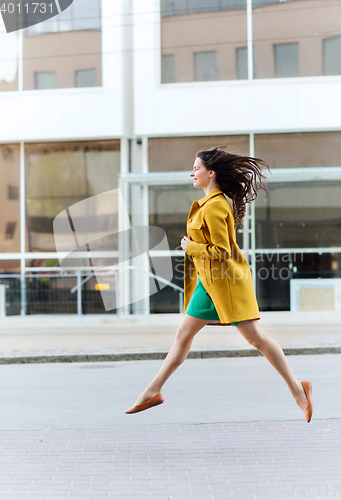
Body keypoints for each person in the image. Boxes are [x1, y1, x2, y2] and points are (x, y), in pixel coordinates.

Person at [125, 146, 313, 423]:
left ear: (210, 173)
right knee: (183, 335)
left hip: (225, 284)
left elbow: (222, 251)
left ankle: (298, 389)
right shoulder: (209, 203)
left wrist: (191, 247)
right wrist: (195, 249)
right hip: (208, 285)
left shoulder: (214, 206)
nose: (192, 172)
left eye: (196, 168)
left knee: (256, 338)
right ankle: (152, 391)